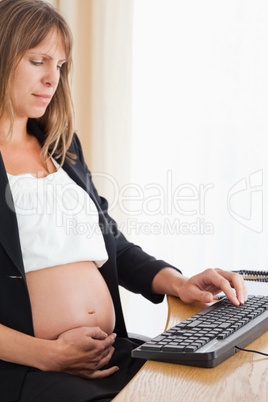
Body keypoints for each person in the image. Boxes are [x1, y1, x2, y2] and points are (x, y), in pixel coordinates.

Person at [0, 1, 247, 401]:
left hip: (112, 355)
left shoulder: (64, 149)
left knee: (214, 384)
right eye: (37, 60)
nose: (52, 79)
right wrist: (49, 355)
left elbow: (111, 244)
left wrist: (179, 282)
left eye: (60, 65)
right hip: (33, 371)